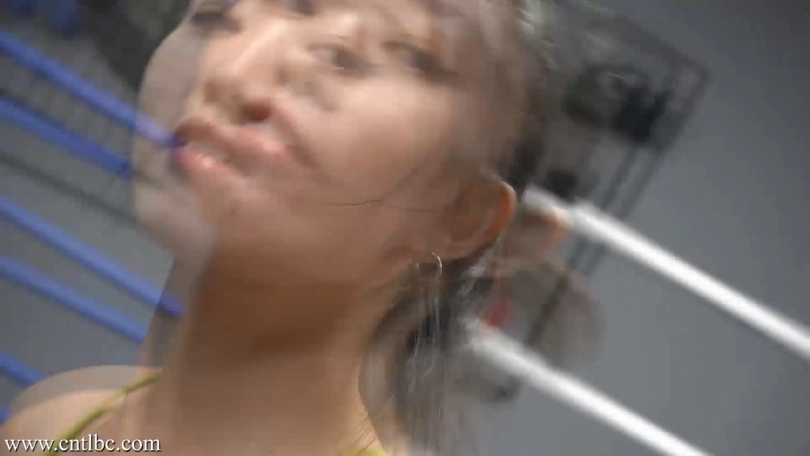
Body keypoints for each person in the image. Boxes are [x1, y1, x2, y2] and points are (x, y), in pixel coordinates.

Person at [2, 1, 598, 455]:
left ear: (460, 216)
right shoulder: (52, 429)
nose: (270, 60)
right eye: (293, 5)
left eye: (411, 52)